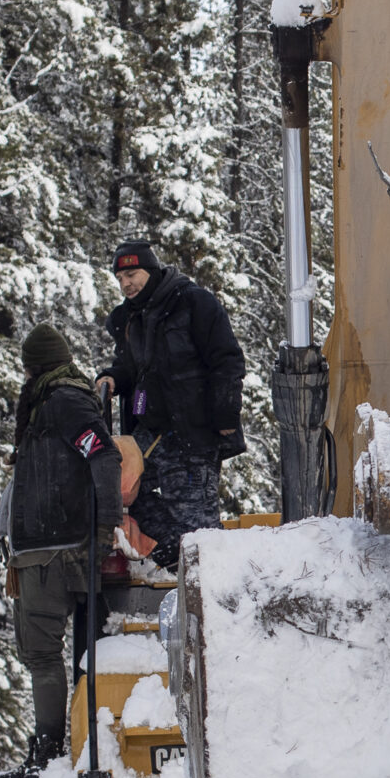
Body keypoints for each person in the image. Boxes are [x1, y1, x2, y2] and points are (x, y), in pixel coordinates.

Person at [0, 326, 124, 778]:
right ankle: (61, 751)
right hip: (49, 548)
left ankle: (48, 755)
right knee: (58, 655)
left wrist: (105, 525)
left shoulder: (61, 403)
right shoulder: (56, 402)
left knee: (42, 655)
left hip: (53, 551)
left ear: (34, 367)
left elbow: (103, 455)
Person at [99, 241, 246, 568]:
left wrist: (224, 415)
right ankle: (177, 556)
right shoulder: (129, 319)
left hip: (194, 434)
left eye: (132, 274)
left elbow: (227, 361)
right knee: (121, 494)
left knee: (197, 523)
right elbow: (128, 368)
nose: (126, 284)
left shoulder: (194, 303)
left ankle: (210, 579)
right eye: (119, 278)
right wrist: (110, 378)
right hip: (150, 436)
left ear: (151, 271)